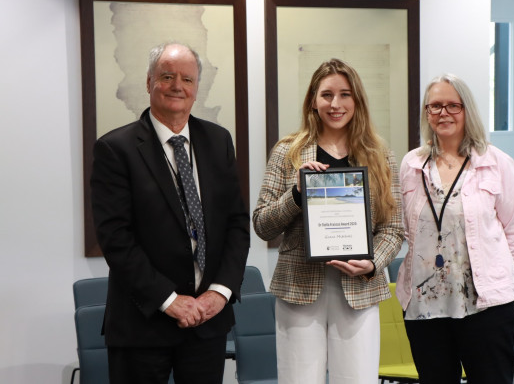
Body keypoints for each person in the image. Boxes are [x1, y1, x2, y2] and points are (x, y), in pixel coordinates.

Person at [91, 42, 250, 384]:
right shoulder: (114, 149)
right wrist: (169, 300)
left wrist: (219, 292)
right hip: (143, 322)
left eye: (187, 79)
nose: (178, 85)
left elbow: (237, 224)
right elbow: (116, 239)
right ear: (149, 83)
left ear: (196, 89)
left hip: (208, 322)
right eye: (167, 76)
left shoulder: (218, 141)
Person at [253, 58, 404, 384]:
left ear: (357, 100)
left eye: (345, 94)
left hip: (359, 290)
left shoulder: (379, 153)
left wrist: (373, 263)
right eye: (326, 95)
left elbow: (393, 228)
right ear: (313, 100)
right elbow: (263, 224)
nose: (335, 104)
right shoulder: (288, 152)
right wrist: (295, 193)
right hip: (299, 289)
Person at [395, 73, 514, 384]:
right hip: (425, 306)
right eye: (435, 106)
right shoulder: (412, 165)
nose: (443, 113)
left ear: (467, 110)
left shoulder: (496, 162)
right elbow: (403, 225)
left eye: (453, 105)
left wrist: (497, 277)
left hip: (486, 306)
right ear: (426, 113)